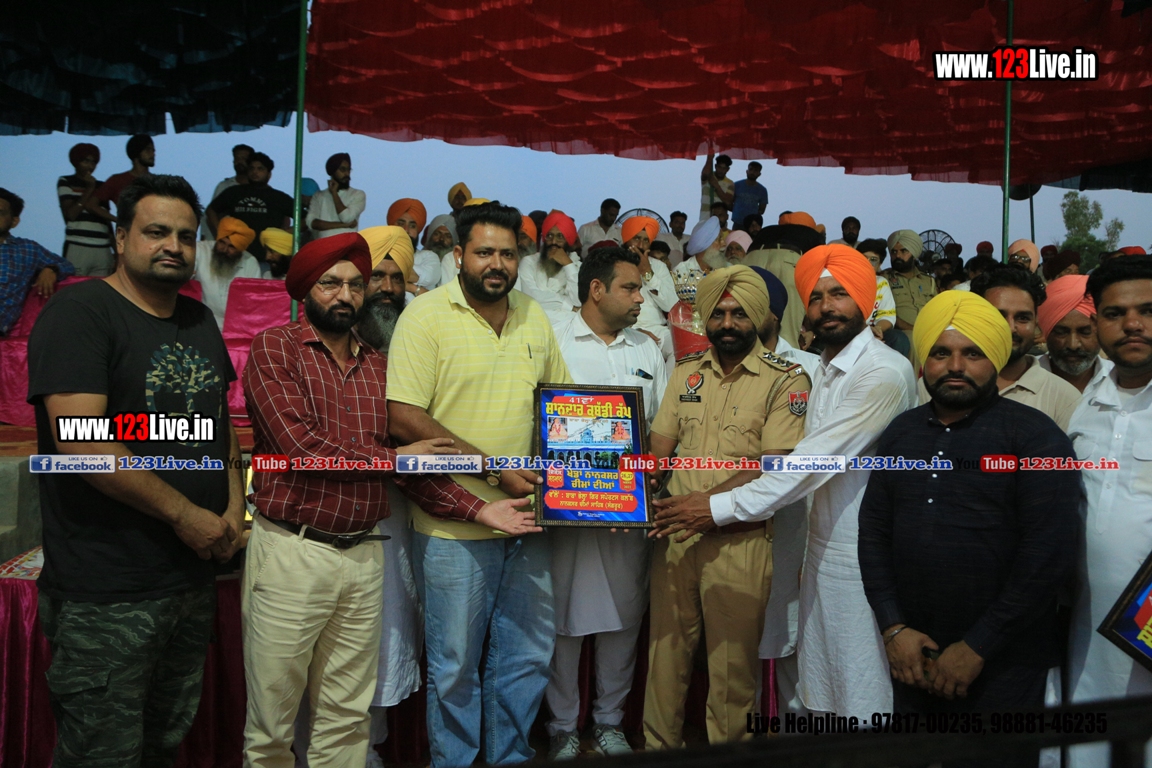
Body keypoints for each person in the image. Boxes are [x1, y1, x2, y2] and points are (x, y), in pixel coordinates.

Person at [240, 232, 535, 768]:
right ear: (306, 289)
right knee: (271, 728)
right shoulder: (274, 348)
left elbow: (411, 471)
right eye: (331, 284)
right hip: (292, 553)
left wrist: (480, 508)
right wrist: (397, 460)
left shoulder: (378, 365)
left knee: (347, 719)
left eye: (356, 285)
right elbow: (302, 450)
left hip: (363, 557)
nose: (345, 295)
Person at [27, 174, 244, 766]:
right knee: (101, 753)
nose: (173, 245)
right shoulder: (80, 312)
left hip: (189, 580)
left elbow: (219, 427)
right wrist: (185, 515)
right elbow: (82, 443)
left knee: (162, 745)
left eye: (185, 235)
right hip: (108, 591)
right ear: (121, 239)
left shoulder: (198, 320)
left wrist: (232, 508)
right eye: (156, 232)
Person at [651, 245, 918, 716]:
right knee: (821, 680)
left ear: (866, 300)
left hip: (859, 553)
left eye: (839, 294)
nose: (827, 306)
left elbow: (804, 465)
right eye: (816, 297)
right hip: (815, 546)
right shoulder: (826, 370)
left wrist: (711, 507)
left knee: (860, 682)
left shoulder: (883, 373)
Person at [386, 202, 572, 768]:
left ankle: (509, 756)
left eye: (508, 254)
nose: (497, 264)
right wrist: (493, 470)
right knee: (455, 665)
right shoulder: (425, 316)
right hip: (454, 525)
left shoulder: (533, 315)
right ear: (458, 256)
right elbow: (402, 416)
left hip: (530, 517)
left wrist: (604, 488)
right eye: (485, 252)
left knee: (526, 657)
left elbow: (564, 410)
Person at [860, 291, 1079, 768]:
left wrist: (978, 646)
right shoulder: (901, 433)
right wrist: (894, 629)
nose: (955, 366)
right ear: (925, 360)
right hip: (913, 654)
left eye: (973, 353)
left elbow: (1049, 553)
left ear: (994, 358)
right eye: (941, 353)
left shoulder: (1037, 437)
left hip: (1004, 662)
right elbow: (874, 532)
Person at [642, 265, 810, 748]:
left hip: (740, 543)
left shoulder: (786, 380)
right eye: (718, 313)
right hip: (674, 539)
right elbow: (657, 454)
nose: (728, 323)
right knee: (664, 663)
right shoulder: (686, 372)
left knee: (733, 675)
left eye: (739, 313)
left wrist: (705, 505)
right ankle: (656, 752)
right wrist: (624, 499)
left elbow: (771, 467)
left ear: (758, 317)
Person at [546, 246, 668, 759]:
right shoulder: (553, 338)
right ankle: (561, 726)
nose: (641, 298)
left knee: (625, 614)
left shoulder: (648, 348)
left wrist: (653, 479)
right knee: (563, 617)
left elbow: (661, 427)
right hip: (566, 507)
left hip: (630, 511)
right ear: (596, 290)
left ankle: (610, 721)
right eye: (630, 288)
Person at [1067, 256, 1152, 768]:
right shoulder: (1085, 402)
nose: (1133, 324)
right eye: (1116, 313)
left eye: (1147, 310)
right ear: (1097, 321)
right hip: (1086, 628)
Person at [746, 266, 817, 715]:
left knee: (794, 630)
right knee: (738, 639)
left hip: (793, 523)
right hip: (729, 523)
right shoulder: (709, 367)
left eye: (751, 306)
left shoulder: (810, 369)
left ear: (773, 313)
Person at [917, 267, 1081, 431]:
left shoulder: (1064, 398)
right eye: (998, 316)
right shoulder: (938, 383)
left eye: (1022, 318)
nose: (1010, 328)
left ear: (1036, 322)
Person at [0, 188, 76, 335]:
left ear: (14, 221)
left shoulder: (27, 249)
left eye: (0, 212)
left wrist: (51, 270)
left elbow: (67, 265)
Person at [206, 152, 294, 265]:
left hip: (266, 257)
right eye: (251, 168)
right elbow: (211, 210)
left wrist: (285, 232)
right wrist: (222, 232)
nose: (255, 172)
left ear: (269, 174)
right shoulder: (234, 192)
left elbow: (305, 219)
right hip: (235, 255)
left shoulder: (279, 197)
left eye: (260, 169)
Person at [1035, 275, 1114, 393]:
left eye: (1085, 332)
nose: (1073, 345)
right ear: (1047, 332)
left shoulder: (1123, 380)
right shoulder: (1022, 378)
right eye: (1061, 333)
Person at [621, 216, 678, 358]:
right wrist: (633, 331)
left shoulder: (658, 266)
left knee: (679, 348)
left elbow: (671, 305)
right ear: (626, 239)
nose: (640, 245)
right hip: (625, 328)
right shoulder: (614, 264)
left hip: (659, 330)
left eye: (646, 240)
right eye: (636, 238)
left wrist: (648, 273)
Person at [193, 216, 264, 330]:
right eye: (221, 242)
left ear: (241, 250)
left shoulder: (250, 262)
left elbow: (254, 301)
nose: (224, 249)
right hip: (200, 324)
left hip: (236, 328)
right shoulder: (201, 250)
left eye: (232, 247)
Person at [57, 142, 116, 275]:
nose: (90, 166)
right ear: (76, 162)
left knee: (101, 287)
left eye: (93, 162)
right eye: (86, 161)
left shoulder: (101, 185)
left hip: (103, 248)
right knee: (75, 286)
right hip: (78, 245)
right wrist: (89, 188)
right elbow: (71, 214)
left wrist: (116, 251)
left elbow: (106, 221)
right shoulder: (66, 181)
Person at [518, 210, 582, 327]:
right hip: (532, 325)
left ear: (568, 240)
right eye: (549, 236)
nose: (553, 242)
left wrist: (568, 264)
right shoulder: (529, 262)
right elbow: (530, 297)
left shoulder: (577, 267)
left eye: (560, 237)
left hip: (567, 329)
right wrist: (569, 307)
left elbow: (579, 300)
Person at [883, 229, 937, 366]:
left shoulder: (929, 281)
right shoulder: (885, 279)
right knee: (912, 339)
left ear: (914, 254)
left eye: (903, 251)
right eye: (894, 252)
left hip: (930, 330)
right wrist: (914, 329)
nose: (898, 255)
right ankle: (915, 380)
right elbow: (886, 313)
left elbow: (938, 310)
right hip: (902, 332)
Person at [305, 153, 366, 241]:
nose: (347, 173)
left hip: (347, 246)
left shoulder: (358, 194)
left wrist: (334, 194)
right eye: (342, 169)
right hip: (324, 246)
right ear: (333, 171)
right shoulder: (319, 196)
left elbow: (346, 217)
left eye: (348, 170)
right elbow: (311, 223)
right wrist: (344, 225)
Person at [387, 198, 440, 296]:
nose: (406, 230)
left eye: (412, 226)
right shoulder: (379, 254)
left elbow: (430, 277)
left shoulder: (429, 256)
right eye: (401, 224)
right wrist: (415, 289)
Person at [856, 238, 900, 351]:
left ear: (880, 264)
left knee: (898, 339)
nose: (867, 263)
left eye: (873, 260)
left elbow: (887, 316)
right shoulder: (844, 280)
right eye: (863, 258)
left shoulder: (881, 283)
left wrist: (877, 330)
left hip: (872, 332)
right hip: (848, 332)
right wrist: (865, 332)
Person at [201, 144, 253, 240]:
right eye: (237, 158)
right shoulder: (224, 186)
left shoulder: (258, 188)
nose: (239, 161)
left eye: (243, 158)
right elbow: (210, 214)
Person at [96, 134, 155, 214]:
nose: (152, 154)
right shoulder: (117, 180)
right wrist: (116, 219)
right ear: (136, 152)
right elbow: (92, 204)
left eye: (153, 150)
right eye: (148, 150)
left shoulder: (157, 182)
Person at [731, 161, 768, 231]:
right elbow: (729, 202)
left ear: (759, 174)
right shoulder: (736, 185)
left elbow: (762, 209)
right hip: (737, 223)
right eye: (751, 169)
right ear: (747, 171)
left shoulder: (762, 190)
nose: (752, 172)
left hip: (752, 225)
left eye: (756, 170)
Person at [700, 151, 735, 222]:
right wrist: (710, 158)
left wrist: (716, 186)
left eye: (724, 168)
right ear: (715, 166)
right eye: (719, 167)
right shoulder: (709, 177)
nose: (721, 170)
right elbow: (705, 174)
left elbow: (728, 202)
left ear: (727, 169)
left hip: (720, 221)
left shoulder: (730, 184)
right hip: (705, 218)